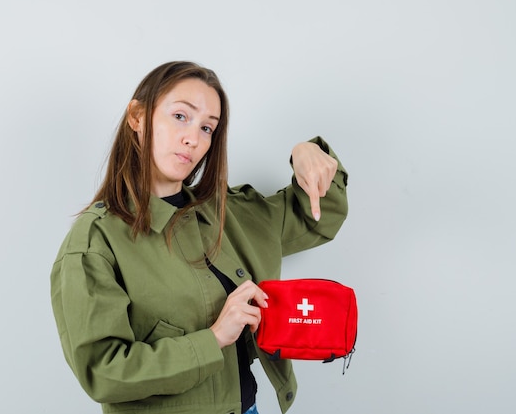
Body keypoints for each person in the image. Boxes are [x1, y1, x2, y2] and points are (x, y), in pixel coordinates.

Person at [50, 61, 348, 414]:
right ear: (137, 117)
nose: (194, 138)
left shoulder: (232, 212)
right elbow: (102, 371)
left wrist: (308, 153)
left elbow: (319, 217)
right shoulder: (95, 242)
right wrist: (215, 338)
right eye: (180, 116)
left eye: (208, 127)